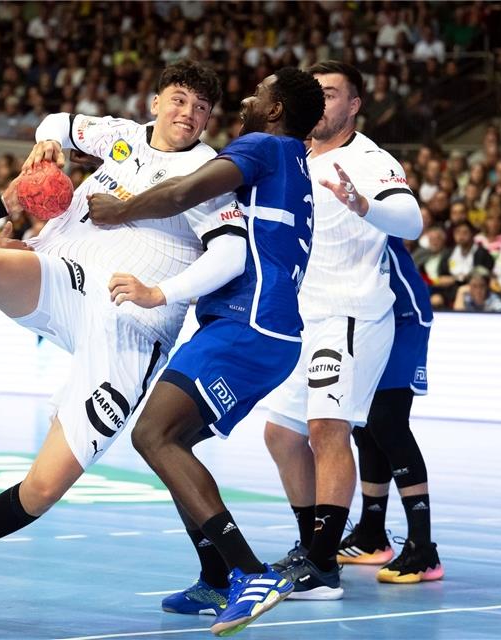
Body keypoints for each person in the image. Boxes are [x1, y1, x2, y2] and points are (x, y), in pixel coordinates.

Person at [0, 59, 224, 614]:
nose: (189, 113)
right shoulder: (121, 137)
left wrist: (164, 294)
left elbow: (230, 253)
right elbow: (58, 122)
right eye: (179, 99)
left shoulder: (210, 173)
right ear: (156, 102)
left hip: (128, 324)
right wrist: (45, 147)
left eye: (202, 108)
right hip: (62, 276)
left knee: (43, 487)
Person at [88, 67, 325, 636]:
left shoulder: (264, 146)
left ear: (274, 110)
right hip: (262, 330)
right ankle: (216, 577)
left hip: (248, 326)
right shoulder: (293, 164)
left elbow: (186, 191)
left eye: (258, 93)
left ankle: (249, 572)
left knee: (153, 436)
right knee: (175, 446)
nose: (246, 99)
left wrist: (120, 209)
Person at [261, 61, 423, 600]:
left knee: (327, 429)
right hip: (301, 316)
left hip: (349, 314)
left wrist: (365, 204)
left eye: (331, 94)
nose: (321, 103)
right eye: (315, 95)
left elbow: (411, 219)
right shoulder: (293, 153)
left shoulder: (369, 159)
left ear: (353, 106)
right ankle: (312, 546)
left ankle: (324, 564)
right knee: (281, 435)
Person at [336, 236, 444, 583]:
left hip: (404, 317)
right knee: (364, 427)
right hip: (367, 319)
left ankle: (423, 548)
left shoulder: (360, 198)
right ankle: (371, 533)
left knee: (388, 421)